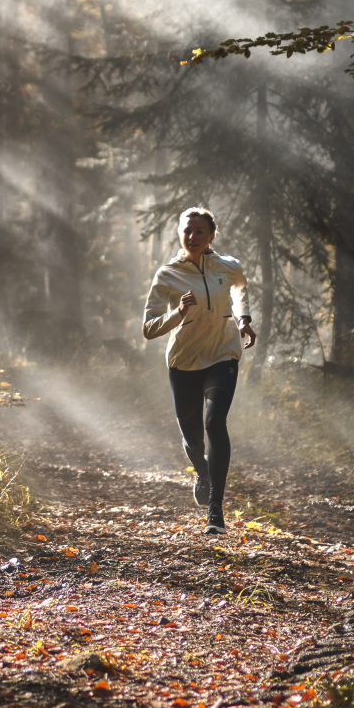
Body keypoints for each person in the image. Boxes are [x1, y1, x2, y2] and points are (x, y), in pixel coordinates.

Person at [141, 207, 255, 534]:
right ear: (180, 233)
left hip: (222, 354)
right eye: (187, 231)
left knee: (215, 422)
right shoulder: (167, 275)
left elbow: (240, 292)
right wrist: (178, 313)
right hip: (184, 361)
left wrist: (244, 319)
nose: (192, 237)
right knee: (193, 437)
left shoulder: (229, 267)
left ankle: (216, 512)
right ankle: (202, 472)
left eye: (199, 232)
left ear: (211, 236)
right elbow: (148, 328)